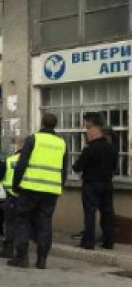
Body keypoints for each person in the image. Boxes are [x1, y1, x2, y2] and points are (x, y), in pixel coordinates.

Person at [9, 113, 67, 269]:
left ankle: (21, 258)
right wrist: (59, 187)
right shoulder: (62, 143)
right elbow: (64, 169)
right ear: (54, 125)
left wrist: (16, 185)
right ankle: (42, 259)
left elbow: (22, 164)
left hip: (30, 189)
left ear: (42, 123)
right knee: (45, 223)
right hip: (51, 191)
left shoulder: (33, 139)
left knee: (22, 221)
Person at [73, 114, 118, 250]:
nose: (87, 135)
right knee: (107, 212)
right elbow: (115, 167)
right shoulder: (112, 149)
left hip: (91, 184)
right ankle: (108, 241)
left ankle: (88, 241)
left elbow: (77, 167)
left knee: (90, 213)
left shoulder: (89, 149)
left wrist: (83, 170)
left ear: (93, 134)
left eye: (88, 132)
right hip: (107, 183)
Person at [0, 141, 22, 258]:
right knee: (23, 225)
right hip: (27, 198)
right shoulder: (31, 162)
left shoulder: (9, 160)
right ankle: (21, 251)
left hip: (12, 197)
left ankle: (8, 250)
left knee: (9, 224)